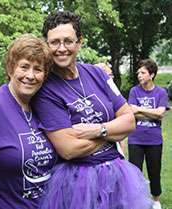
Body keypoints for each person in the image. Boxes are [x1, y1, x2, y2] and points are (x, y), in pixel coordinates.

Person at [32, 11, 152, 209]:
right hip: (78, 181)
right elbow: (69, 149)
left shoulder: (98, 73)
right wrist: (114, 133)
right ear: (46, 44)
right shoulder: (46, 89)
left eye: (68, 41)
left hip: (118, 174)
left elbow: (129, 120)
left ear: (79, 43)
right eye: (54, 42)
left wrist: (99, 130)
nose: (61, 48)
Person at [0, 34, 57, 209]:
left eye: (37, 69)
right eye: (24, 67)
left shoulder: (42, 106)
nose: (30, 75)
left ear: (44, 75)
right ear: (10, 68)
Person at [128, 58, 169, 209]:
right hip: (135, 139)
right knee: (134, 173)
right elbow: (132, 113)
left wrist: (139, 109)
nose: (139, 75)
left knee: (154, 171)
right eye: (138, 72)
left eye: (143, 73)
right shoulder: (134, 91)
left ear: (151, 75)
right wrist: (152, 113)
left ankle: (156, 199)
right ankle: (136, 200)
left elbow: (160, 113)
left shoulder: (161, 92)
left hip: (154, 140)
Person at [94, 62, 126, 155]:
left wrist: (122, 153)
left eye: (111, 75)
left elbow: (123, 124)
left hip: (113, 147)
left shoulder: (114, 94)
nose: (111, 78)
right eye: (108, 75)